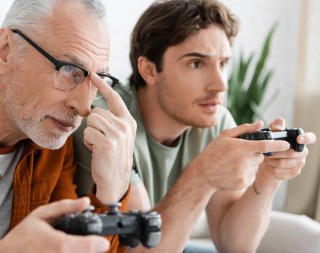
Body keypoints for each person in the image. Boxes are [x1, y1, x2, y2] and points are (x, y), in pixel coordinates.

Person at [73, 0, 317, 252]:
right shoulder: (108, 123)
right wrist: (203, 175)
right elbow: (142, 249)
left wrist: (269, 177)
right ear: (149, 70)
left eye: (223, 63)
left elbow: (235, 245)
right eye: (196, 64)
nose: (220, 85)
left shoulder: (214, 119)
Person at [0, 0, 137, 252]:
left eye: (98, 81)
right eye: (69, 70)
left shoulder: (50, 140)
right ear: (4, 51)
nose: (84, 107)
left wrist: (112, 191)